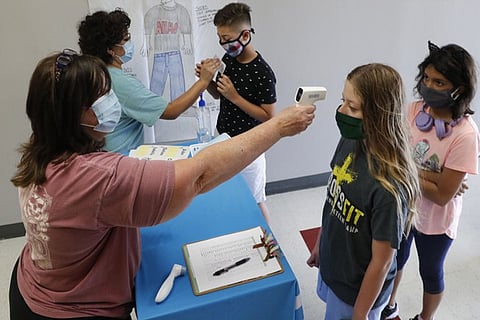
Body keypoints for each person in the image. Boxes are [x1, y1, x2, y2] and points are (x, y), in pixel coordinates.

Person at [8, 49, 315, 319]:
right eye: (101, 97)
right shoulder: (95, 178)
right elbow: (198, 176)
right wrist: (279, 126)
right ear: (73, 115)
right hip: (72, 310)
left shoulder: (43, 145)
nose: (110, 101)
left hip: (32, 283)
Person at [307, 63, 420, 320]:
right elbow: (334, 199)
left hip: (359, 293)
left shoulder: (389, 187)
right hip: (337, 267)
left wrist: (360, 315)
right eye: (342, 101)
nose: (341, 111)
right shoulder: (350, 139)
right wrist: (320, 244)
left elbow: (381, 263)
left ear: (379, 115)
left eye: (352, 107)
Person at [381, 42, 479, 320]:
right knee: (394, 260)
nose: (429, 86)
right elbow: (392, 153)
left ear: (459, 88)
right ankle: (389, 303)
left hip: (435, 221)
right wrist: (436, 176)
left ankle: (426, 317)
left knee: (430, 271)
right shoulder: (413, 110)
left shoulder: (466, 135)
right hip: (402, 205)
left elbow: (441, 196)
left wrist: (405, 167)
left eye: (439, 82)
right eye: (426, 78)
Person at [78, 9, 220, 155]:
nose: (129, 43)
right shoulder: (119, 82)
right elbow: (171, 111)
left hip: (100, 157)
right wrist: (203, 81)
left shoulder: (92, 74)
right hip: (119, 161)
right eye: (126, 39)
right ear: (110, 50)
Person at [196, 2, 276, 223]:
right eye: (220, 37)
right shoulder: (229, 60)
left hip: (250, 145)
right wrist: (207, 81)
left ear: (245, 35)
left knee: (255, 200)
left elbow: (269, 117)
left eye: (227, 37)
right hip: (223, 138)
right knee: (225, 195)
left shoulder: (263, 72)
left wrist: (235, 97)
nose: (223, 43)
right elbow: (219, 95)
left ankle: (270, 247)